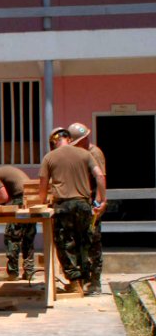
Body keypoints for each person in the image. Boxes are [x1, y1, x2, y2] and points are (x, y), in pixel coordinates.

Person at [38, 129, 106, 295]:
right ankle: (90, 281)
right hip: (84, 205)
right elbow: (100, 176)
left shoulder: (49, 157)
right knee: (86, 242)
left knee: (65, 243)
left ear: (54, 141)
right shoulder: (85, 154)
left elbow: (43, 183)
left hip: (63, 207)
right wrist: (101, 199)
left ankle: (74, 282)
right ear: (69, 138)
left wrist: (41, 202)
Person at [68, 122, 106, 296]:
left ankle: (95, 281)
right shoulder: (79, 154)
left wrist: (99, 202)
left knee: (92, 241)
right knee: (80, 242)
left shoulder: (93, 153)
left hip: (92, 201)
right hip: (81, 202)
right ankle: (84, 279)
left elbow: (100, 178)